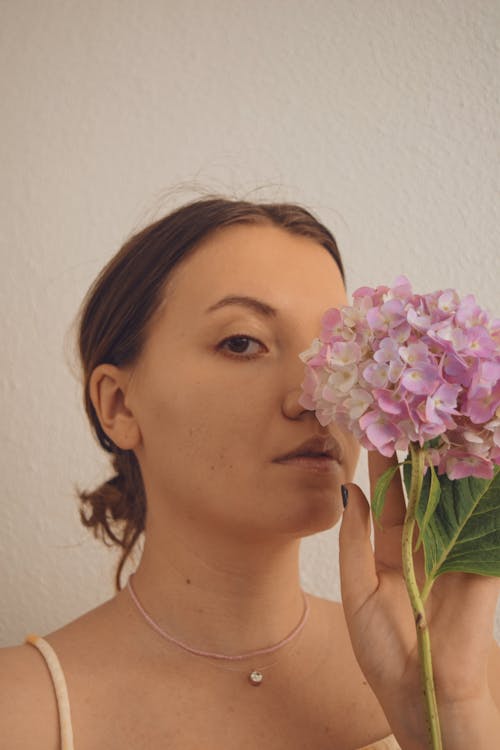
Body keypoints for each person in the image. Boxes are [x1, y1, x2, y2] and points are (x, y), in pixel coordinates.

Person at [1, 197, 499, 749]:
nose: (312, 397)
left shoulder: (475, 681)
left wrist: (449, 714)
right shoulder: (18, 713)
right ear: (119, 404)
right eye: (242, 343)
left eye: (337, 354)